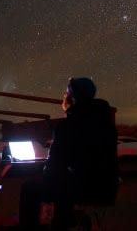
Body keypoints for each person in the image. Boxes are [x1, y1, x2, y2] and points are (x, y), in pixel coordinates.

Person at [15, 77, 118, 229]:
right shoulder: (106, 123)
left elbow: (55, 164)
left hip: (83, 188)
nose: (63, 97)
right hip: (106, 187)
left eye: (65, 93)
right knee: (63, 181)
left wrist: (44, 170)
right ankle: (66, 220)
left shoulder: (68, 126)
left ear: (72, 97)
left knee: (30, 187)